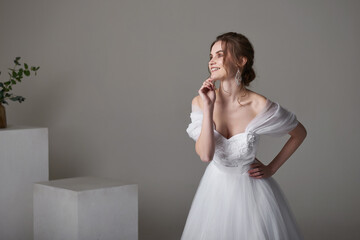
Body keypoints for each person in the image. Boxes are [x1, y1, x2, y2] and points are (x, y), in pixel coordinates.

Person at [181, 32, 307, 240]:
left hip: (253, 193)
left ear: (241, 60)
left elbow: (299, 133)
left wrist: (271, 168)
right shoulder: (201, 102)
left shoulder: (259, 105)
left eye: (219, 54)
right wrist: (209, 107)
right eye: (210, 56)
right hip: (215, 192)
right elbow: (205, 155)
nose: (212, 61)